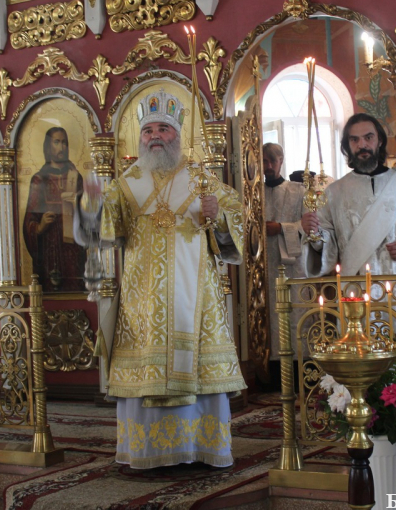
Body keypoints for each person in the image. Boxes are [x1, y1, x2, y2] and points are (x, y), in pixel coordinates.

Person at [75, 90, 246, 469]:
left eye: (163, 129)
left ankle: (201, 448)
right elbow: (101, 232)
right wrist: (91, 203)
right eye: (148, 130)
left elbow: (234, 228)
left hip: (196, 297)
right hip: (143, 301)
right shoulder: (126, 183)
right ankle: (148, 453)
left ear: (177, 135)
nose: (155, 136)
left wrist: (217, 215)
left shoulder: (202, 180)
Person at [301, 113, 396, 328]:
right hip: (356, 295)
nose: (362, 145)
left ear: (379, 140)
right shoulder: (335, 192)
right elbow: (327, 242)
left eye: (368, 137)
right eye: (354, 139)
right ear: (347, 146)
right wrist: (314, 233)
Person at [23, 127, 85, 292]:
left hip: (72, 248)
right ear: (48, 146)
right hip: (49, 248)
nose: (61, 147)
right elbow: (29, 220)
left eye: (64, 142)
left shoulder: (75, 177)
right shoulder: (39, 180)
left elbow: (86, 212)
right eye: (56, 142)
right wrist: (40, 226)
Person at [263, 143, 306, 362]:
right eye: (264, 161)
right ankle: (269, 367)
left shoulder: (298, 191)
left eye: (273, 161)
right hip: (263, 266)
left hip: (292, 267)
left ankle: (298, 364)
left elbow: (309, 226)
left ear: (281, 161)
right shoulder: (253, 193)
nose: (269, 166)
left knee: (294, 313)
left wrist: (281, 228)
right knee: (269, 315)